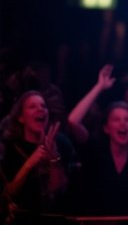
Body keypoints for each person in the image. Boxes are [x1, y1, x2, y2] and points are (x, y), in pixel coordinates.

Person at [66, 64, 128, 218]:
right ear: (106, 128)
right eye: (116, 119)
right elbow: (73, 121)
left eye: (127, 120)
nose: (123, 123)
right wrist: (99, 87)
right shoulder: (96, 148)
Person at [0, 89, 74, 222]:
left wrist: (54, 159)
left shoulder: (61, 143)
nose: (40, 109)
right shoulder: (11, 147)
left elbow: (58, 190)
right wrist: (30, 162)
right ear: (21, 118)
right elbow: (9, 193)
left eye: (43, 106)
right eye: (32, 106)